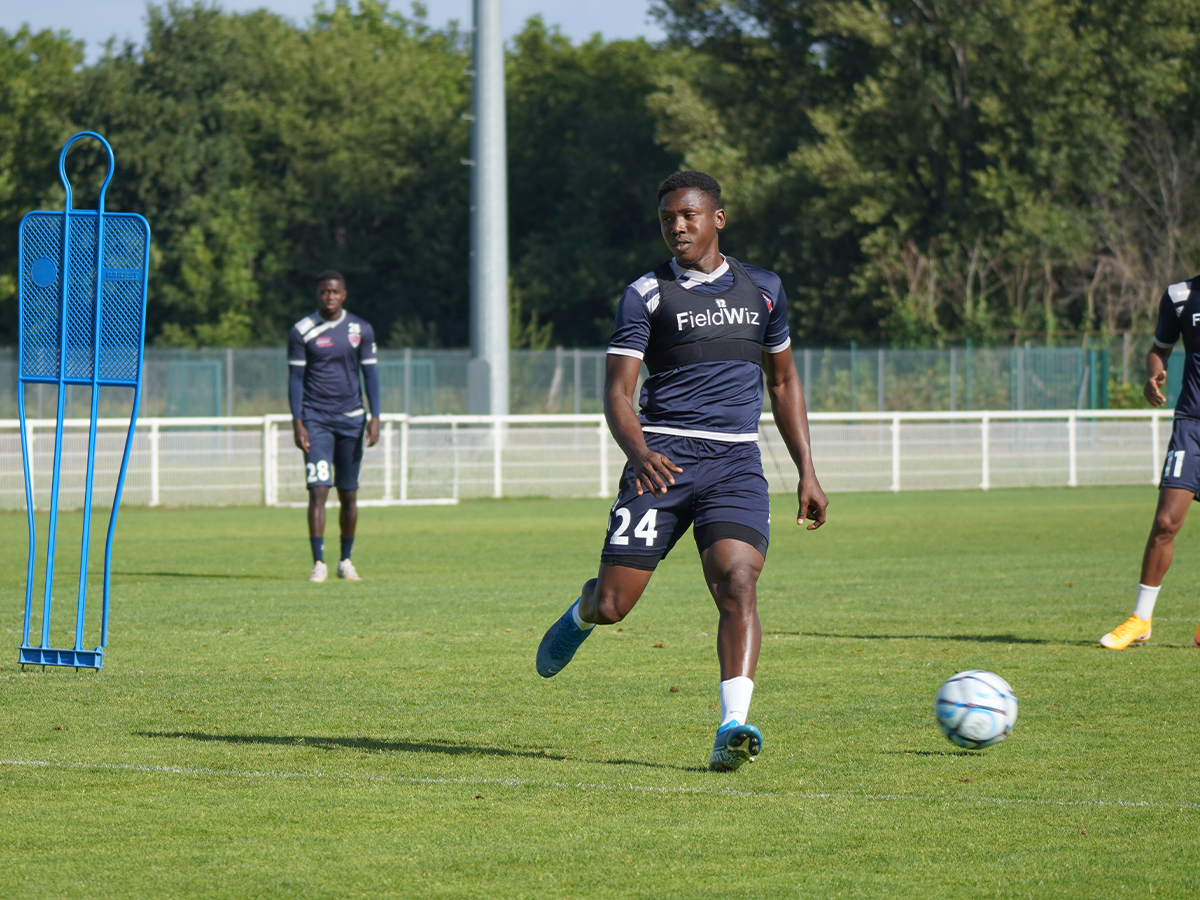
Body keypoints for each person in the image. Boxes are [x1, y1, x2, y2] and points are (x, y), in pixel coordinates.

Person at [535, 171, 828, 771]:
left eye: (688, 215)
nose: (677, 227)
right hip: (661, 463)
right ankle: (582, 612)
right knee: (614, 605)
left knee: (738, 582)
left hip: (736, 463)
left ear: (717, 218)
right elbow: (618, 392)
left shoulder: (764, 288)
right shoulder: (646, 294)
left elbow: (783, 381)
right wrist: (639, 453)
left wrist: (808, 471)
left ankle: (732, 725)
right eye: (668, 218)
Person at [1100, 276, 1200, 649]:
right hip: (1191, 426)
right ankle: (1140, 619)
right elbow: (1159, 349)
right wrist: (1151, 375)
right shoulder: (1180, 296)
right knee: (1166, 521)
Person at [288, 270, 380, 582]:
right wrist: (298, 421)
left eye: (335, 291)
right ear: (318, 295)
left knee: (349, 493)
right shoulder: (302, 330)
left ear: (344, 294)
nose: (330, 296)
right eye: (324, 292)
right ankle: (319, 563)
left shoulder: (360, 329)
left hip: (352, 420)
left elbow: (371, 375)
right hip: (316, 419)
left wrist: (375, 416)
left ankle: (346, 560)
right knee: (318, 490)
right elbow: (295, 379)